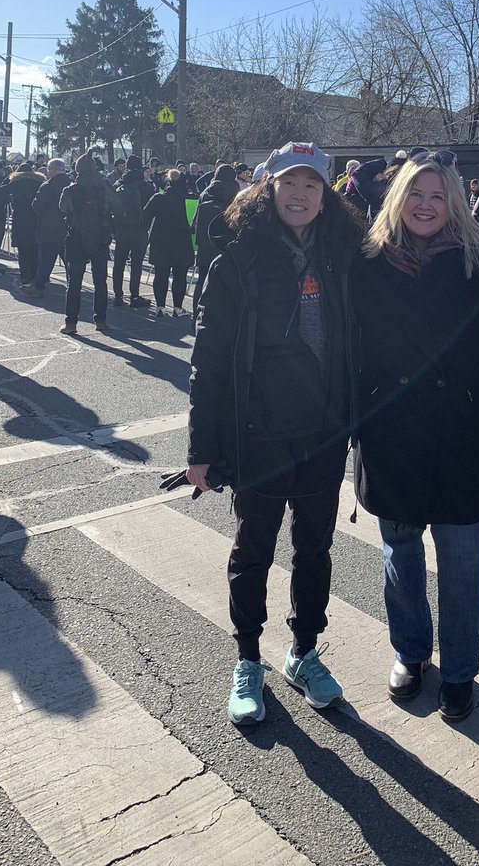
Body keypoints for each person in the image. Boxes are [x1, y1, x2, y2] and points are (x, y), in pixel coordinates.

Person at [186, 142, 363, 726]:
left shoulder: (343, 256)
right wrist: (200, 450)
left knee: (315, 549)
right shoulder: (236, 261)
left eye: (313, 185)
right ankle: (247, 660)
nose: (300, 194)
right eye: (290, 183)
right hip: (258, 433)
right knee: (253, 551)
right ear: (266, 187)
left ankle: (304, 651)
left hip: (324, 432)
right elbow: (208, 360)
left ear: (327, 193)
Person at [351, 155, 479, 723]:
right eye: (415, 193)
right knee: (401, 552)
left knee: (462, 559)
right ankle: (411, 652)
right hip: (388, 427)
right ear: (397, 198)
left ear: (454, 202)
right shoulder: (366, 261)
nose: (425, 205)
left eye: (437, 196)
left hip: (457, 427)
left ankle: (461, 671)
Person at [58, 153, 120, 335]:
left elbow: (62, 207)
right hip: (101, 239)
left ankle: (71, 323)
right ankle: (100, 320)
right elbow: (118, 207)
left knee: (74, 282)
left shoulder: (70, 189)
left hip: (76, 239)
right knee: (100, 281)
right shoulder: (104, 188)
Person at [143, 169, 193, 317]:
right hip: (181, 242)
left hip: (160, 241)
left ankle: (160, 307)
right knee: (180, 275)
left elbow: (145, 216)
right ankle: (177, 308)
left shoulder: (158, 198)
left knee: (161, 275)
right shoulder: (188, 198)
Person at [22, 159, 71, 298]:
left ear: (54, 170)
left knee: (46, 259)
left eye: (49, 169)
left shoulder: (47, 186)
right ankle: (73, 284)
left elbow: (36, 206)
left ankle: (38, 285)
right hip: (68, 227)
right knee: (68, 259)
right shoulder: (72, 185)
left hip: (49, 226)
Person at [111, 156, 153, 308]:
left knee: (119, 263)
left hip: (122, 228)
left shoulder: (119, 184)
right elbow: (149, 209)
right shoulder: (146, 187)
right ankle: (134, 295)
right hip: (139, 229)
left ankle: (117, 295)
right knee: (136, 264)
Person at [192, 163, 239, 297]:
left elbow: (196, 219)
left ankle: (197, 312)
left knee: (201, 280)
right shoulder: (235, 193)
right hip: (226, 244)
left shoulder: (206, 192)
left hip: (205, 243)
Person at [0, 162, 44, 287]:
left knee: (22, 249)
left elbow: (1, 189)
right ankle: (34, 276)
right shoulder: (39, 182)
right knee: (34, 249)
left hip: (20, 218)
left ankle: (25, 277)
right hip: (35, 217)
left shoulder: (16, 183)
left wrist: (9, 177)